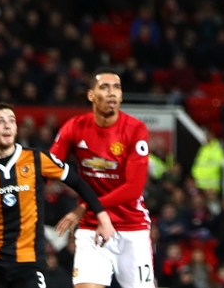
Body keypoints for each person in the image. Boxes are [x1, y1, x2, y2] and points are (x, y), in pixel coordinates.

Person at [0, 102, 115, 288]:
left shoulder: (37, 158)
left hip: (28, 264)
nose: (7, 125)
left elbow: (78, 182)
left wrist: (103, 218)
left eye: (11, 121)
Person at [51, 68, 154, 288]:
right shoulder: (75, 127)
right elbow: (49, 166)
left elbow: (134, 188)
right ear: (91, 95)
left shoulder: (135, 129)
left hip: (131, 228)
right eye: (104, 87)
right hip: (91, 228)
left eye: (117, 88)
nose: (112, 93)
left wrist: (84, 208)